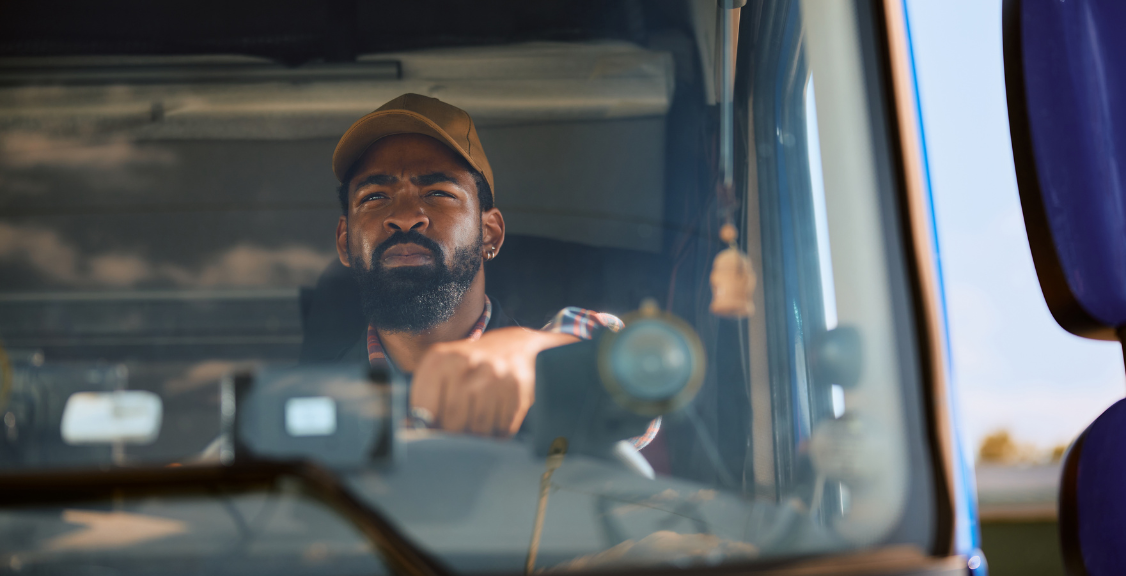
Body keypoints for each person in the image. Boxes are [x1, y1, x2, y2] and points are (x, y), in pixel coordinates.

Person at [326, 93, 656, 445]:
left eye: (438, 193)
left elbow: (644, 372)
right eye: (375, 197)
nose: (406, 217)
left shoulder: (541, 374)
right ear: (345, 241)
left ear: (490, 234)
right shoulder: (309, 406)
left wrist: (537, 355)